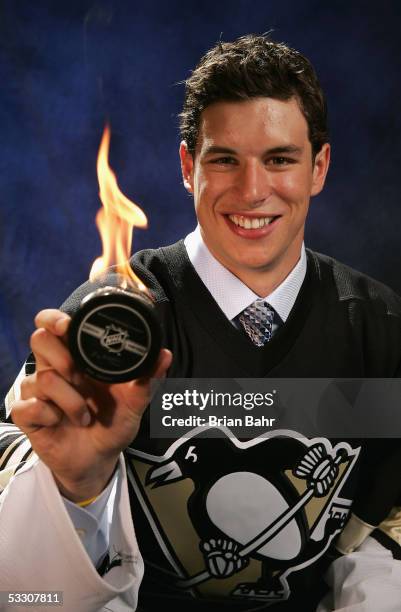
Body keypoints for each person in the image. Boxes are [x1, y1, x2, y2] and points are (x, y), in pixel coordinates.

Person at [1, 34, 401, 612]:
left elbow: (384, 541)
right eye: (224, 159)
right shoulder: (103, 328)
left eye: (280, 159)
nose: (253, 190)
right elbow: (22, 592)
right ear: (189, 166)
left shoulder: (381, 333)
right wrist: (71, 488)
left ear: (319, 167)